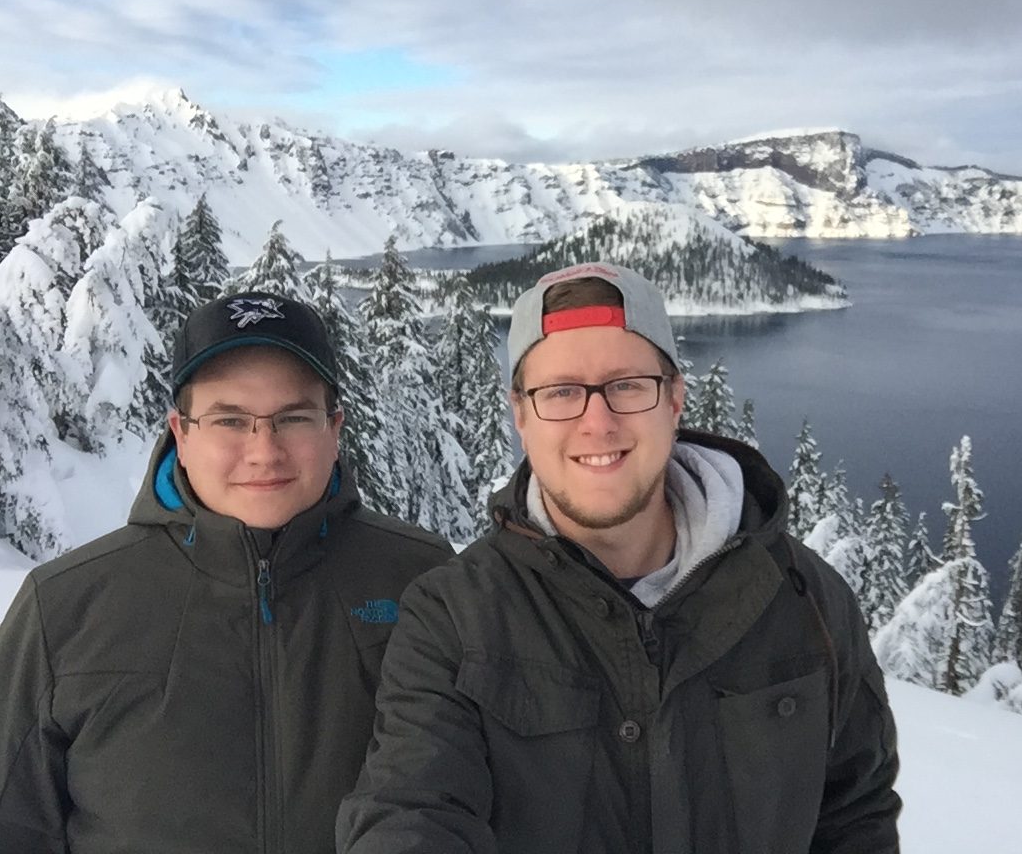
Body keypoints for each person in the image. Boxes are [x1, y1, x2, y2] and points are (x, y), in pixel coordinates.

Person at [338, 263, 901, 854]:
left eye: (627, 385)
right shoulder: (454, 616)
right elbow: (411, 808)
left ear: (675, 399)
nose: (597, 422)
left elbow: (855, 815)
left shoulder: (805, 598)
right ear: (521, 415)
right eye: (561, 392)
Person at [0, 291, 453, 854]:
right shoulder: (66, 606)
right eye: (229, 420)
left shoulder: (425, 581)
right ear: (182, 434)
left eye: (293, 417)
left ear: (334, 428)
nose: (264, 451)